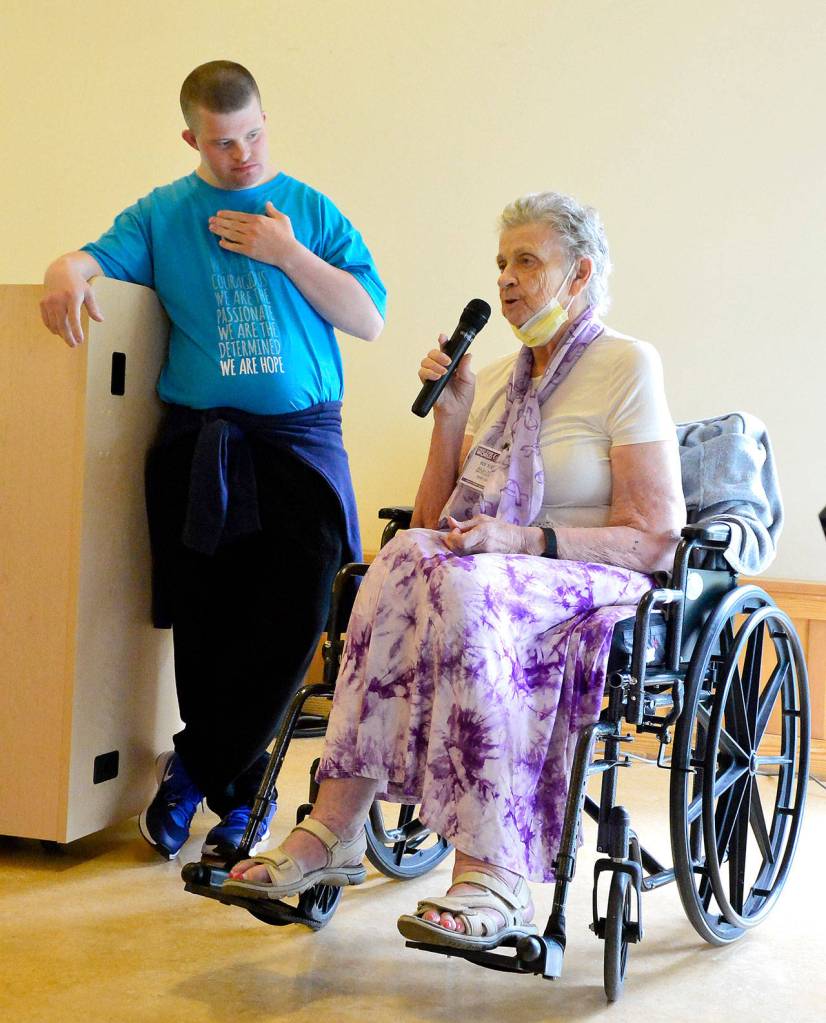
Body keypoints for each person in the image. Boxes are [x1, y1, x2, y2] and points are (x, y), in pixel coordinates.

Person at [222, 190, 685, 951]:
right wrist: (451, 415)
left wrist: (522, 539)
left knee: (471, 578)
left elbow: (655, 537)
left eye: (527, 261)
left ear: (580, 274)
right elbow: (434, 529)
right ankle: (335, 828)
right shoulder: (500, 378)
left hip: (595, 579)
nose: (505, 278)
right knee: (402, 556)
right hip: (493, 572)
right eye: (501, 262)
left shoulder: (626, 365)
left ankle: (493, 870)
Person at [39, 61, 386, 861]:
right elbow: (96, 258)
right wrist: (68, 267)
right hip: (203, 448)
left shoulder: (308, 209)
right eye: (225, 142)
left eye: (255, 134)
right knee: (206, 629)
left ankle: (191, 768)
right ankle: (239, 803)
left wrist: (287, 253)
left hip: (300, 443)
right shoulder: (163, 214)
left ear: (267, 120)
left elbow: (367, 319)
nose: (244, 154)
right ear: (192, 137)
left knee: (294, 622)